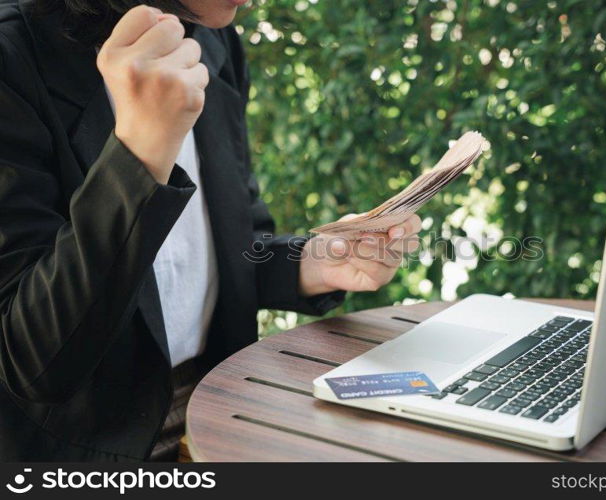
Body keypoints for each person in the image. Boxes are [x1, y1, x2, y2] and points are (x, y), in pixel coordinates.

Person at [0, 0, 421, 461]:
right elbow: (34, 361)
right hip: (82, 454)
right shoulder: (13, 59)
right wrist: (139, 153)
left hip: (222, 413)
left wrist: (313, 262)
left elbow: (222, 250)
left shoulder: (210, 38)